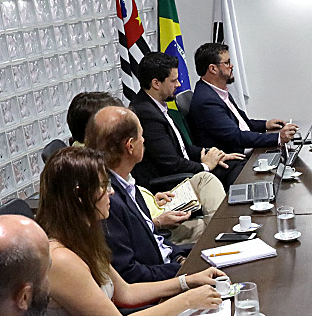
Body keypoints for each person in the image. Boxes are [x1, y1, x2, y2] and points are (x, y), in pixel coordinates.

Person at [36, 146, 225, 316]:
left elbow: (126, 292)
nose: (111, 193)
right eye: (104, 186)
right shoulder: (61, 259)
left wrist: (186, 282)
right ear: (80, 195)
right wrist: (187, 300)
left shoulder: (81, 236)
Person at [75, 95, 225, 248]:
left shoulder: (117, 171)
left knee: (204, 179)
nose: (144, 140)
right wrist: (158, 223)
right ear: (130, 145)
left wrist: (152, 200)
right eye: (140, 136)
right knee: (213, 225)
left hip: (155, 207)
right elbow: (136, 247)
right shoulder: (106, 190)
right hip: (160, 232)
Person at [130, 52, 244, 190]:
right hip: (172, 185)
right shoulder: (145, 114)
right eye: (173, 81)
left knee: (236, 164)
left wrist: (214, 154)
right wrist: (205, 166)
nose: (178, 84)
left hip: (186, 171)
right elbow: (171, 163)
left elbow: (183, 147)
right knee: (237, 171)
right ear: (156, 83)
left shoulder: (157, 105)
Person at [187, 42, 297, 155]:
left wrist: (265, 124)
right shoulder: (207, 101)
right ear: (213, 69)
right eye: (227, 63)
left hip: (246, 150)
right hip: (234, 161)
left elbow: (240, 123)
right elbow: (235, 136)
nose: (231, 66)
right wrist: (278, 137)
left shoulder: (216, 91)